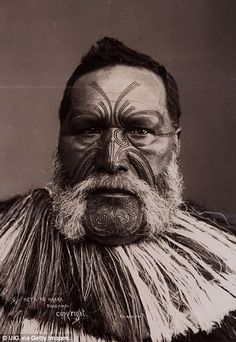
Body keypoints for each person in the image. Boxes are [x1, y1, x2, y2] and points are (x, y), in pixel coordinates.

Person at [0, 37, 236, 342]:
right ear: (60, 142)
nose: (112, 159)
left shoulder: (228, 269)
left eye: (139, 130)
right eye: (89, 130)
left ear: (175, 144)